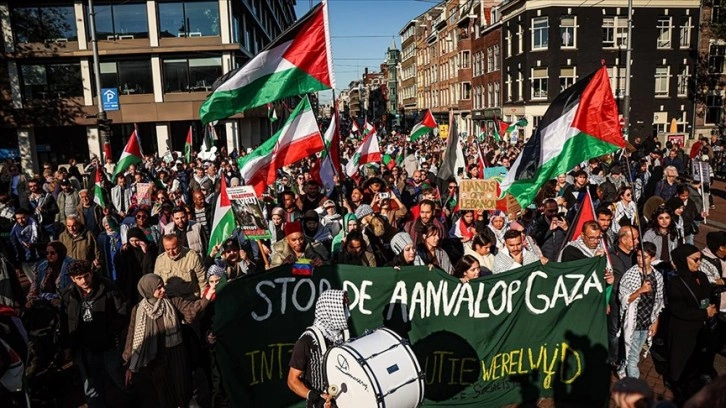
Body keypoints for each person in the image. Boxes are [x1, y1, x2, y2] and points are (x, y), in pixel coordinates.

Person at [123, 274, 214, 408]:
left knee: (183, 393)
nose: (163, 290)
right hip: (154, 364)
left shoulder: (172, 301)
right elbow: (131, 336)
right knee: (164, 396)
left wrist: (207, 297)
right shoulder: (138, 310)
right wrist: (129, 364)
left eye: (163, 286)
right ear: (148, 289)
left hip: (175, 358)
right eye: (158, 288)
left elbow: (191, 311)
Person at [60, 259, 128, 408]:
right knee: (91, 386)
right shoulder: (69, 294)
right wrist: (67, 345)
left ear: (91, 273)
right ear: (73, 279)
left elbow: (122, 311)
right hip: (84, 349)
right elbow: (65, 321)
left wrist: (112, 332)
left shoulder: (107, 287)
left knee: (120, 379)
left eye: (86, 276)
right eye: (79, 278)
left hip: (108, 345)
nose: (84, 281)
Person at [667, 244, 718, 405]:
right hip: (683, 331)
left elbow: (706, 296)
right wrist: (704, 313)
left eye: (700, 259)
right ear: (683, 260)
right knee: (681, 363)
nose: (699, 263)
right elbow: (678, 310)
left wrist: (711, 306)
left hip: (700, 328)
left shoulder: (701, 276)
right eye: (695, 260)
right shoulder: (675, 282)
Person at [288, 289, 350, 408]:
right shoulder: (306, 341)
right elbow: (292, 381)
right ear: (330, 312)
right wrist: (316, 397)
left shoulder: (343, 334)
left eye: (346, 308)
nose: (347, 313)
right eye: (342, 309)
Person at [617, 242, 664, 379]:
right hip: (633, 322)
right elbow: (624, 299)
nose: (640, 260)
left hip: (646, 321)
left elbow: (658, 302)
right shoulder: (629, 275)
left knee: (634, 353)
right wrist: (640, 290)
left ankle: (622, 366)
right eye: (638, 256)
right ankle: (634, 385)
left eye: (645, 257)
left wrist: (655, 322)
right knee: (633, 359)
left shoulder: (657, 277)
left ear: (653, 258)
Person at [27, 241, 74, 306]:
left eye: (52, 253)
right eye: (47, 253)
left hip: (62, 301)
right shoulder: (43, 265)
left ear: (60, 252)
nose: (49, 255)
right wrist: (31, 298)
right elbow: (35, 283)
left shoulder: (70, 265)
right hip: (44, 299)